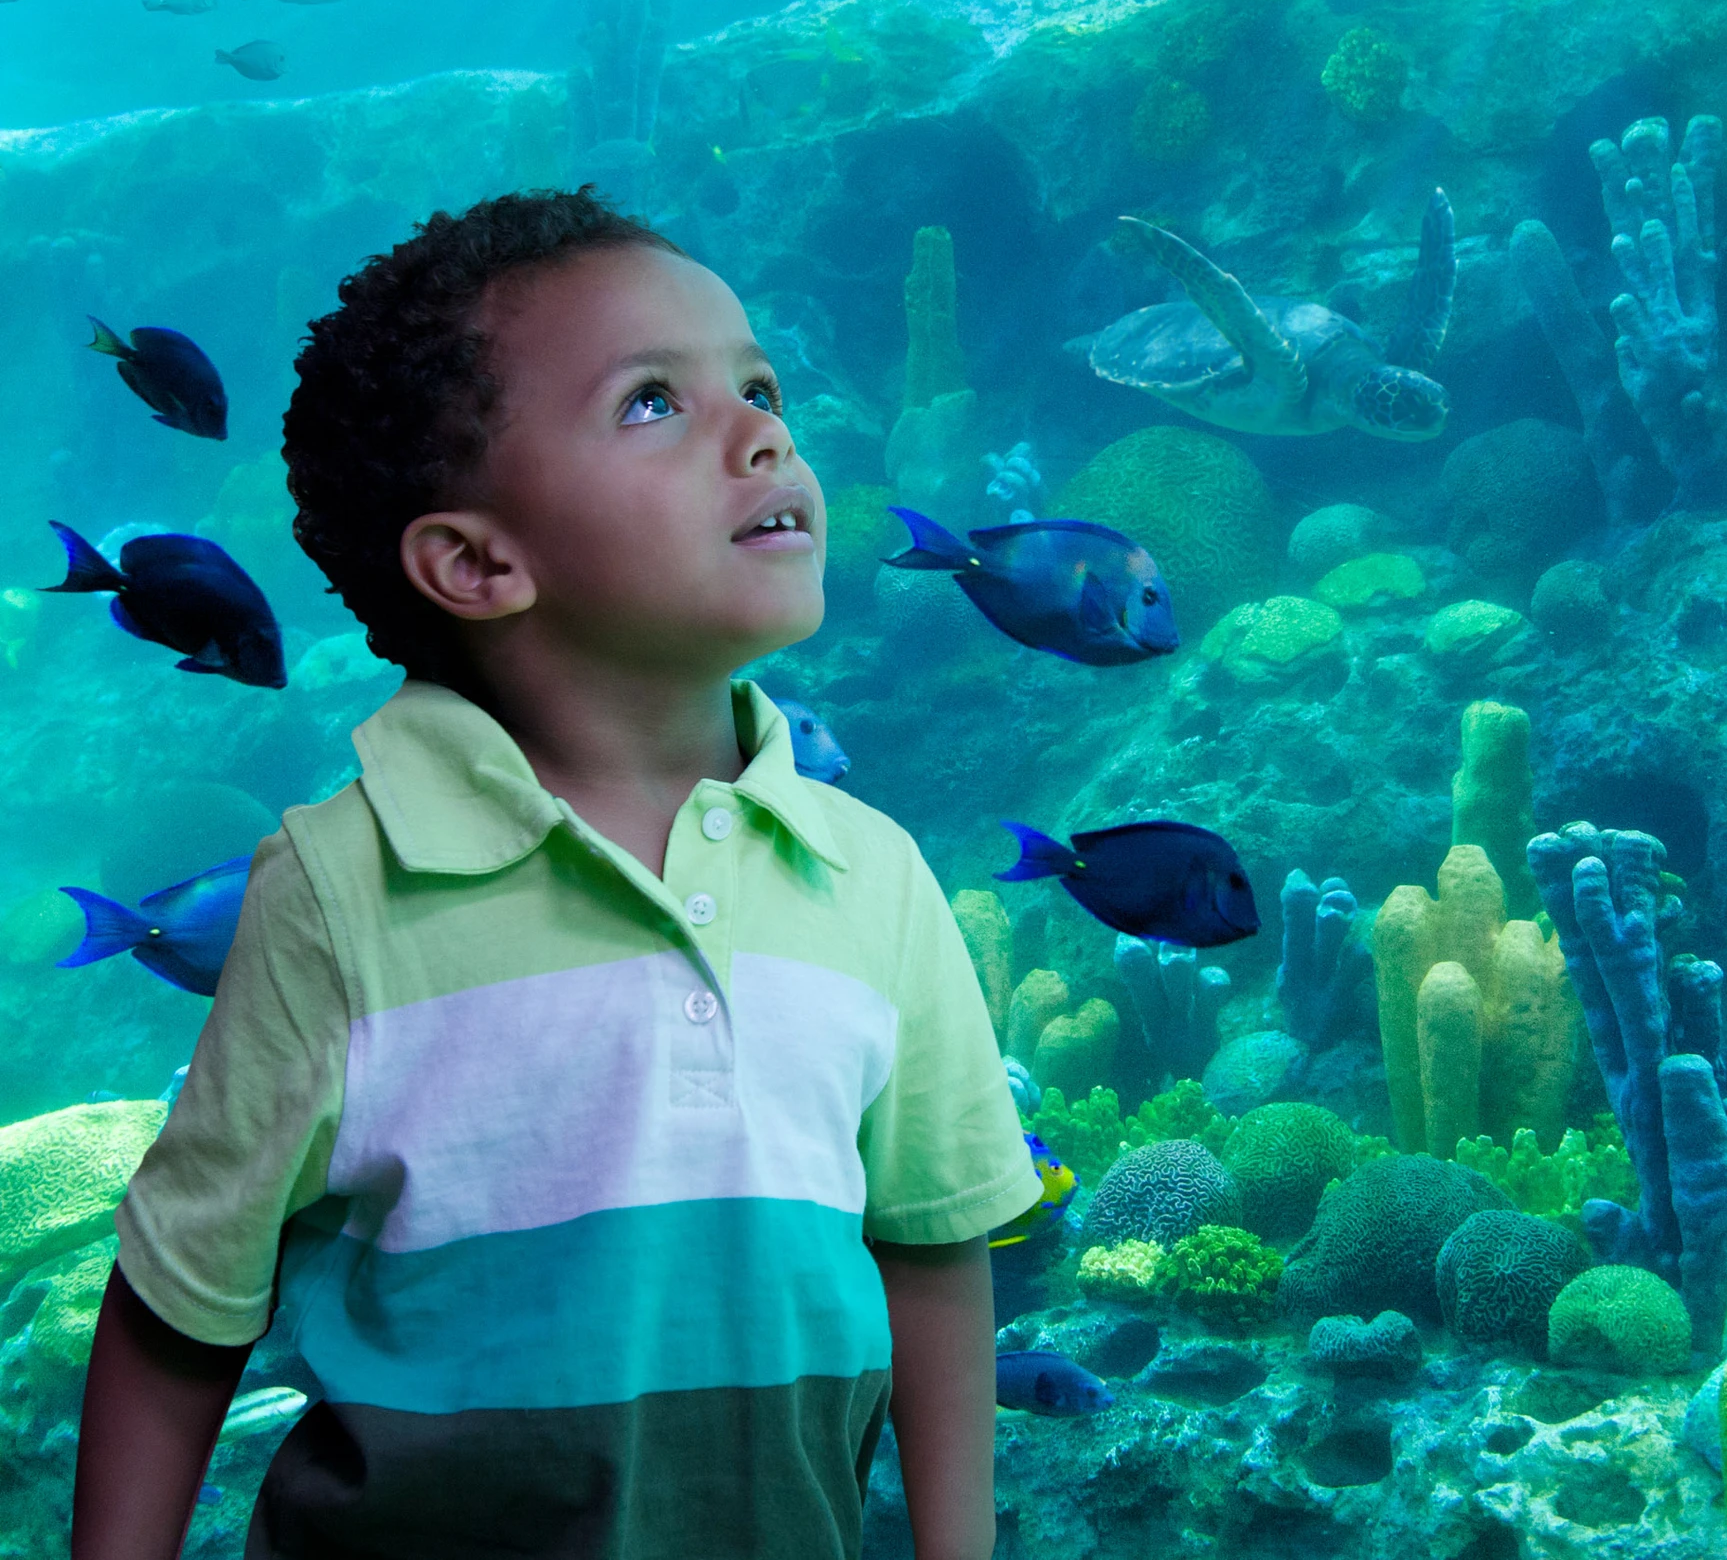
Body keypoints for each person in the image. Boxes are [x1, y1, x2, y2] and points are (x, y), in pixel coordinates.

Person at [73, 189, 1038, 1560]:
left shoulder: (872, 874)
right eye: (655, 403)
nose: (764, 430)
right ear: (476, 561)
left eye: (758, 384)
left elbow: (933, 1250)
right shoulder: (341, 888)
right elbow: (180, 1305)